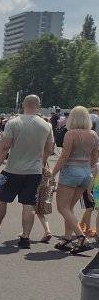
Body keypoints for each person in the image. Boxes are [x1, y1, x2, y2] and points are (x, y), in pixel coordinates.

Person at [0, 95, 55, 251]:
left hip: (12, 169)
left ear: (23, 105)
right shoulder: (46, 125)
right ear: (39, 106)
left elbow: (4, 147)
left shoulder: (13, 122)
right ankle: (25, 238)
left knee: (2, 199)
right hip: (34, 171)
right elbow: (49, 149)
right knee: (28, 203)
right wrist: (41, 162)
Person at [50, 105, 99, 253]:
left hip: (71, 171)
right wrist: (88, 169)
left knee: (62, 207)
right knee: (69, 208)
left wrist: (53, 173)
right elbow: (95, 157)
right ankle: (67, 237)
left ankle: (81, 237)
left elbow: (64, 156)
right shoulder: (93, 134)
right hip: (86, 172)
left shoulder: (70, 134)